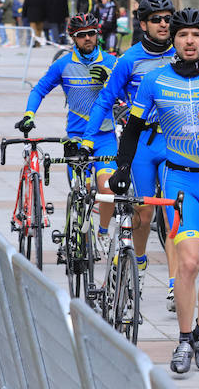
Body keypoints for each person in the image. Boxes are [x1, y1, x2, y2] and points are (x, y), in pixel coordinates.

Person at [109, 8, 199, 374]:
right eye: (182, 35)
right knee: (188, 263)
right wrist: (123, 168)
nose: (189, 41)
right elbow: (133, 127)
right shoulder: (156, 80)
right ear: (173, 41)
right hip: (180, 182)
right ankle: (184, 339)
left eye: (196, 35)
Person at [81, 0, 178, 310]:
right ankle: (138, 262)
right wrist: (87, 139)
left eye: (168, 18)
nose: (164, 24)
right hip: (142, 145)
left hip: (177, 143)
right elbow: (104, 100)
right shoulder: (129, 60)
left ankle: (177, 285)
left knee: (174, 211)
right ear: (144, 24)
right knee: (144, 213)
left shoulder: (182, 54)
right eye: (157, 19)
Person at [15, 13, 118, 236]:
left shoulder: (112, 62)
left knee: (107, 189)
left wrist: (110, 79)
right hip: (76, 137)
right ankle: (77, 234)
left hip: (105, 137)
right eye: (82, 35)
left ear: (97, 34)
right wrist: (29, 115)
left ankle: (102, 231)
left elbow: (128, 95)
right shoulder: (63, 64)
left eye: (92, 33)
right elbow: (39, 89)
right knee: (82, 190)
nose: (88, 38)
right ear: (73, 38)